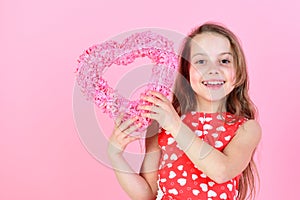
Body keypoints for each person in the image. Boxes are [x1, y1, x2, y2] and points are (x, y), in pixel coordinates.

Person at [107, 22, 261, 200]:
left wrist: (174, 125)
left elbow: (221, 172)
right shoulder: (162, 125)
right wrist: (115, 155)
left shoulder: (246, 129)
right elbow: (147, 195)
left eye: (224, 61)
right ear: (186, 72)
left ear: (239, 73)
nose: (213, 70)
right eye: (201, 61)